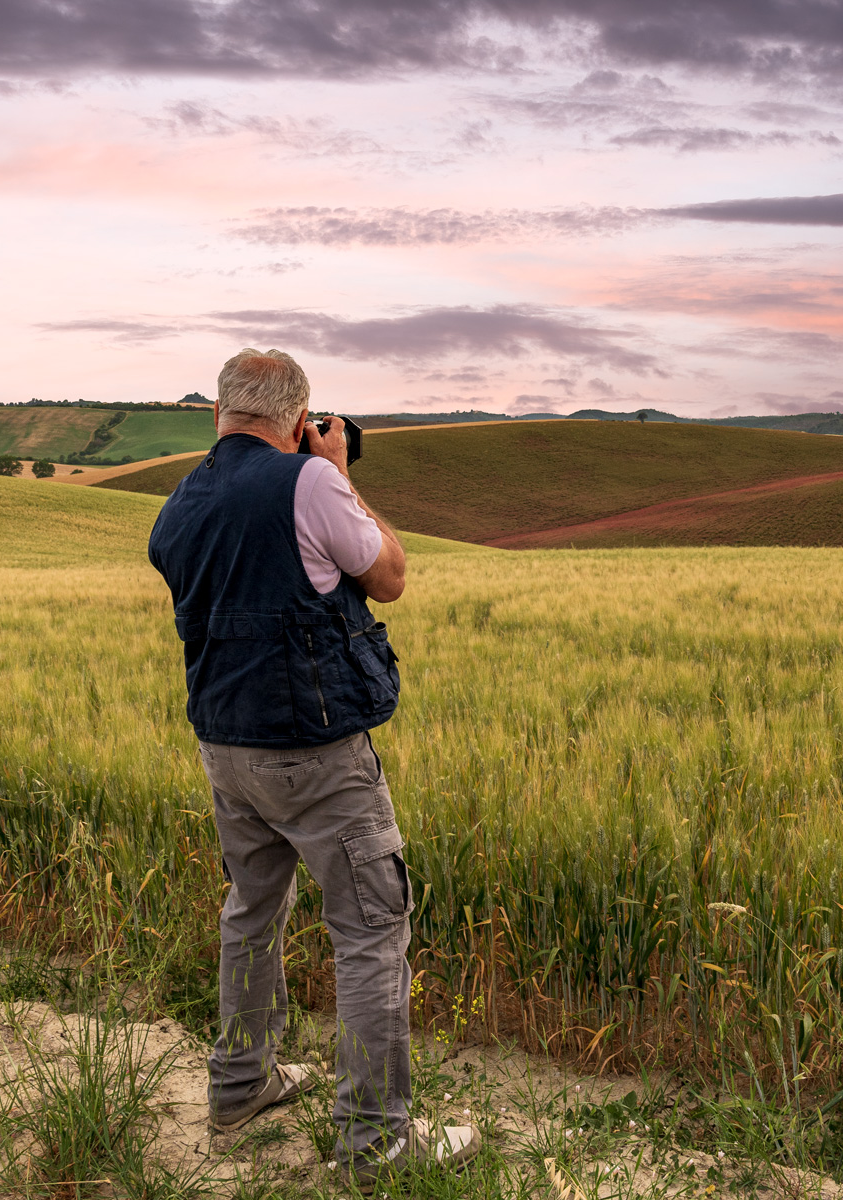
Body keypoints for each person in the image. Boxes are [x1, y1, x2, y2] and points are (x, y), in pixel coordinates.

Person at [146, 349, 480, 1192]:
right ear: (297, 418)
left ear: (215, 416)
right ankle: (375, 1142)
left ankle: (240, 1085)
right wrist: (334, 473)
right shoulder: (311, 482)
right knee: (371, 929)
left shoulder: (180, 502)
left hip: (225, 746)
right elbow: (390, 577)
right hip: (316, 748)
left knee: (251, 911)